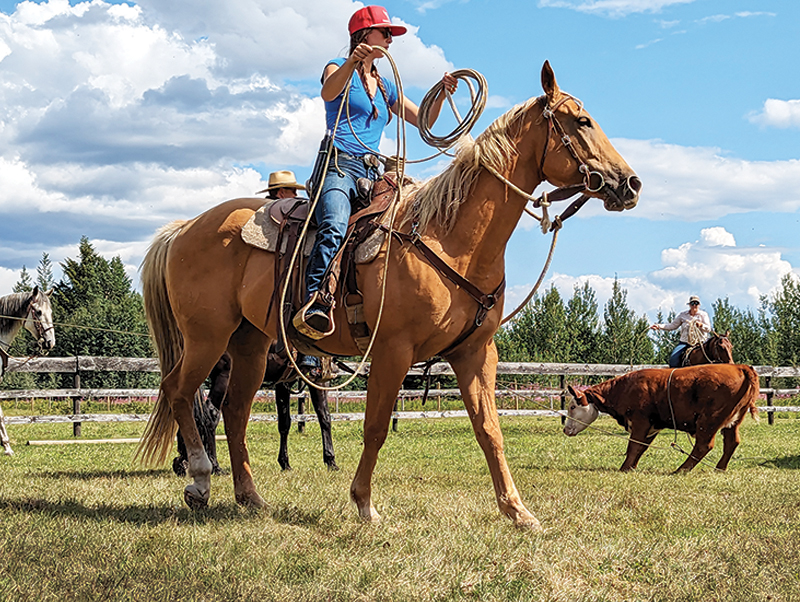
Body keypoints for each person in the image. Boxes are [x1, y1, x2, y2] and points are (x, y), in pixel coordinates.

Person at [294, 5, 459, 338]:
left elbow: (424, 121)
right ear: (364, 34)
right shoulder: (337, 67)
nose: (389, 40)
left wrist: (439, 93)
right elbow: (328, 92)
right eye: (385, 33)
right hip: (338, 165)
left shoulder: (386, 87)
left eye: (390, 35)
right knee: (335, 224)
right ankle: (315, 302)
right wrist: (353, 62)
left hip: (371, 174)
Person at [650, 295, 712, 368]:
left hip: (701, 343)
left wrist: (701, 325)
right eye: (692, 303)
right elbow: (672, 326)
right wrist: (659, 326)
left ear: (699, 305)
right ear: (689, 305)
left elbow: (708, 329)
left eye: (696, 303)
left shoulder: (703, 315)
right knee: (673, 359)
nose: (694, 305)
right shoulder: (683, 315)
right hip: (685, 342)